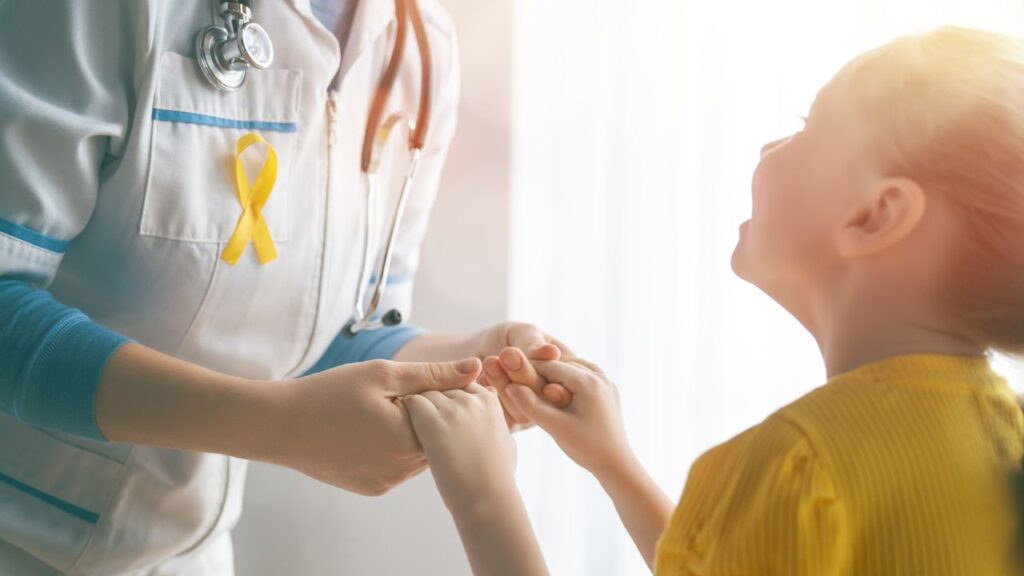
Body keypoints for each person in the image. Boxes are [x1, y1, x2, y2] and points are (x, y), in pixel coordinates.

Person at [401, 26, 1024, 575]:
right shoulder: (1006, 442)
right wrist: (613, 462)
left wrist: (483, 494)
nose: (767, 149)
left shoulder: (798, 466)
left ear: (876, 214)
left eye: (807, 128)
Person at [0, 1, 571, 574]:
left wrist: (473, 361)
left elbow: (332, 329)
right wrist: (281, 427)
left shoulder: (421, 45)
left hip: (187, 556)